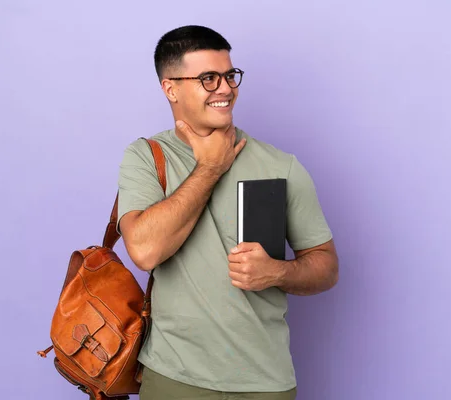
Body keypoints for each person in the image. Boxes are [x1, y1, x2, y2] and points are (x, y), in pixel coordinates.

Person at [116, 25, 339, 400]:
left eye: (229, 75)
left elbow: (326, 266)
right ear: (171, 88)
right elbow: (144, 251)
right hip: (173, 378)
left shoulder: (281, 165)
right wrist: (210, 168)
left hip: (265, 383)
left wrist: (279, 271)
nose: (225, 88)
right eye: (208, 78)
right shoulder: (145, 158)